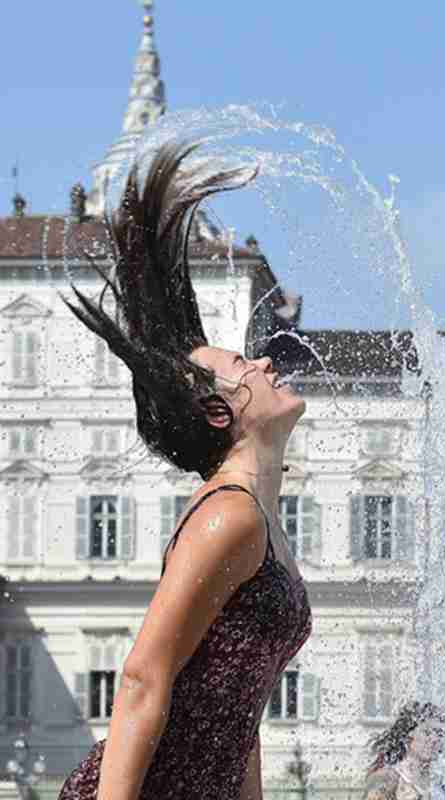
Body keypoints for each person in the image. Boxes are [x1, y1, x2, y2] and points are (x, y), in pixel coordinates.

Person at [58, 142, 310, 799]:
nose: (259, 364)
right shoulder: (228, 514)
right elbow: (144, 677)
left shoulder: (261, 524)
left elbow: (242, 709)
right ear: (220, 415)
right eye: (239, 367)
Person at [363, 702, 445, 800]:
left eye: (439, 733)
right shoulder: (388, 778)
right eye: (427, 732)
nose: (435, 739)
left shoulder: (440, 781)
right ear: (408, 737)